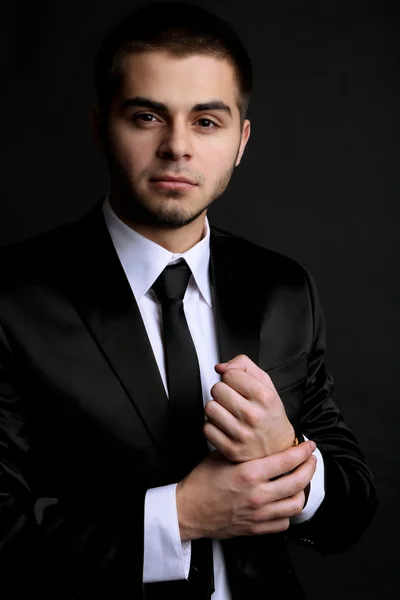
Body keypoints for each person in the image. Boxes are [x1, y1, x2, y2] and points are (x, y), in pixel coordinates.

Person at [0, 2, 377, 599]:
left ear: (241, 140)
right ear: (100, 126)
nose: (177, 146)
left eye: (207, 121)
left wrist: (285, 454)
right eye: (147, 116)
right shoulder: (13, 297)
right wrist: (180, 517)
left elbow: (350, 513)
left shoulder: (283, 288)